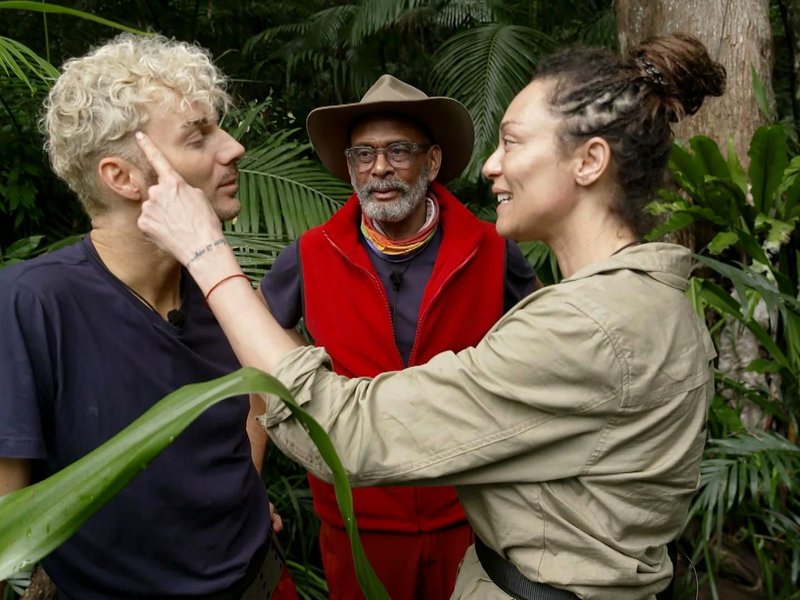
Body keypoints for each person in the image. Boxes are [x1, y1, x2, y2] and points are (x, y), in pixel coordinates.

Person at [136, 32, 724, 600]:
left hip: (457, 522)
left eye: (512, 142)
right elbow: (263, 359)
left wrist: (206, 252)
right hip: (370, 527)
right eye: (363, 154)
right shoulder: (650, 300)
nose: (491, 166)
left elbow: (353, 431)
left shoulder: (558, 306)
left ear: (591, 161)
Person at [0, 34, 297, 600]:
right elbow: (3, 529)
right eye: (199, 136)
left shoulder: (222, 288)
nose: (233, 148)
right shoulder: (31, 305)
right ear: (123, 178)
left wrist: (245, 489)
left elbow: (254, 398)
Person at [259, 74, 538, 600]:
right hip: (356, 525)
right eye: (363, 154)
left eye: (397, 151)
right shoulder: (311, 254)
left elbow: (547, 352)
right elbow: (256, 367)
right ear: (349, 167)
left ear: (431, 162)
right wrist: (248, 484)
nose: (379, 168)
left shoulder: (493, 249)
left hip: (475, 522)